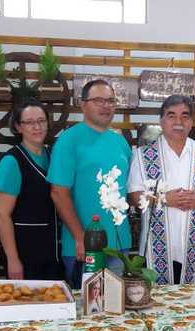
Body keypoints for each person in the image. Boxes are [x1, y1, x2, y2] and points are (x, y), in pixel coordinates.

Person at [128, 95, 195, 285]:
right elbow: (134, 196)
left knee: (188, 305)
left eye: (185, 116)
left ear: (191, 122)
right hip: (154, 248)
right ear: (162, 121)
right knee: (156, 305)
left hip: (191, 248)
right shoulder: (143, 155)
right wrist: (164, 199)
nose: (178, 122)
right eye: (171, 116)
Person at [48, 80, 132, 288]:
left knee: (116, 310)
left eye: (110, 101)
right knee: (88, 312)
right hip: (85, 246)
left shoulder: (120, 141)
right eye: (98, 100)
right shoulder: (69, 140)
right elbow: (58, 193)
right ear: (82, 104)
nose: (106, 106)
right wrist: (79, 236)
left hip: (120, 243)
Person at [0, 99, 63, 280]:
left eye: (41, 121)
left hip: (54, 252)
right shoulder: (12, 161)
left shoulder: (53, 156)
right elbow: (2, 214)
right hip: (26, 254)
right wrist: (13, 259)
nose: (37, 127)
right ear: (18, 126)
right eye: (29, 122)